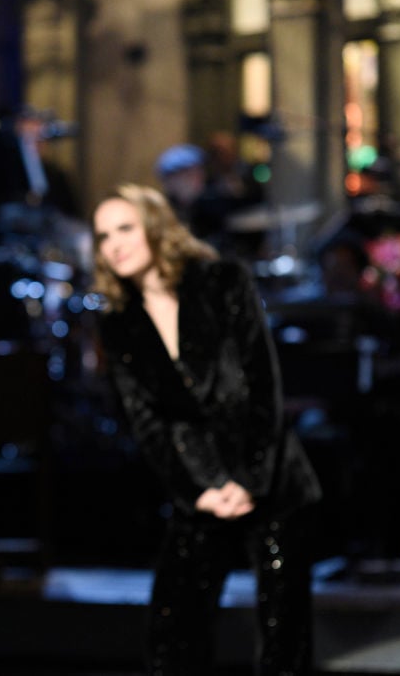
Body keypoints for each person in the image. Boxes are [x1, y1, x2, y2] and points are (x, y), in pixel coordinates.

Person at [90, 183, 322, 675]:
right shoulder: (118, 324)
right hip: (199, 484)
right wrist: (203, 490)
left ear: (154, 226)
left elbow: (264, 385)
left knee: (284, 639)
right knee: (171, 632)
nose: (114, 243)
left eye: (125, 228)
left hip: (271, 474)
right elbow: (147, 423)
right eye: (103, 235)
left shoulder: (222, 281)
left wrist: (248, 481)